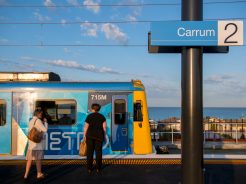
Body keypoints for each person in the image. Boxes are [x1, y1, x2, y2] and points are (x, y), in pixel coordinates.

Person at [24, 108, 48, 180]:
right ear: (38, 114)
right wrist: (46, 122)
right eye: (41, 113)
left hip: (31, 145)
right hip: (38, 144)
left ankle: (26, 175)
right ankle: (39, 174)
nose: (42, 114)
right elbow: (45, 130)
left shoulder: (31, 121)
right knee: (38, 160)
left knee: (29, 160)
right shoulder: (38, 121)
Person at [83, 103, 107, 174]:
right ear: (99, 109)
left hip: (90, 137)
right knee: (98, 152)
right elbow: (104, 128)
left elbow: (86, 127)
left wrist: (84, 135)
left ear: (92, 108)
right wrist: (104, 136)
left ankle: (89, 168)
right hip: (99, 137)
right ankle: (98, 168)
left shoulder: (89, 116)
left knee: (89, 153)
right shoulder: (102, 117)